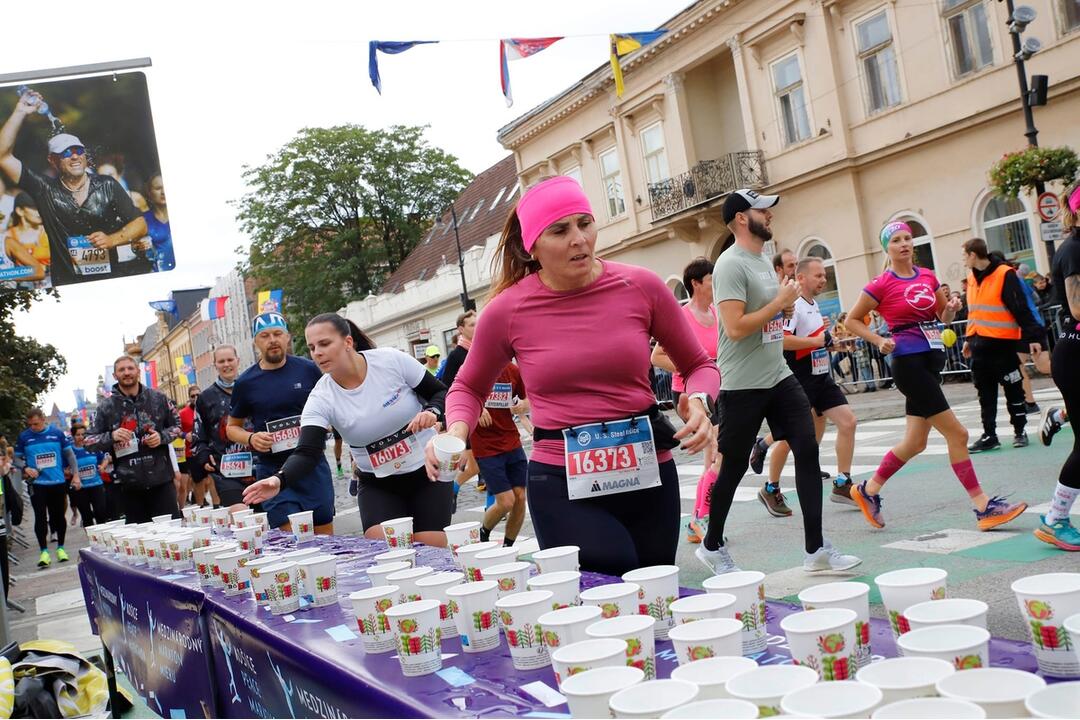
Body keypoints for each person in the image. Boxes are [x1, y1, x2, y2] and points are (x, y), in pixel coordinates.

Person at [424, 175, 719, 576]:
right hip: (562, 480)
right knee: (608, 588)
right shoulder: (507, 309)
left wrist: (699, 401)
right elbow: (469, 386)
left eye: (585, 223)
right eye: (560, 230)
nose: (579, 238)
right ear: (533, 246)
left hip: (648, 469)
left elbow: (700, 364)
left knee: (654, 595)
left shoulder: (641, 286)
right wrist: (456, 433)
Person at [698, 189, 860, 575]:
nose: (769, 215)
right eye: (762, 210)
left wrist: (784, 304)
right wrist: (777, 303)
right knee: (734, 466)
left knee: (807, 447)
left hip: (778, 375)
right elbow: (735, 328)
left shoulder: (759, 263)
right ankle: (712, 543)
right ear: (741, 218)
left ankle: (815, 549)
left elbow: (770, 319)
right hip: (742, 383)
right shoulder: (729, 265)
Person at [845, 222, 1027, 531]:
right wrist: (879, 341)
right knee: (958, 435)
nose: (904, 244)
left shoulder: (928, 276)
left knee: (915, 443)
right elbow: (851, 321)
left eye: (908, 239)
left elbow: (943, 317)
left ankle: (868, 490)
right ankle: (983, 507)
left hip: (930, 360)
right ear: (887, 248)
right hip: (908, 363)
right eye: (897, 240)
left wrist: (952, 309)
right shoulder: (881, 284)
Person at [243, 314, 450, 545]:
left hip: (427, 471)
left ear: (348, 342)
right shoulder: (321, 397)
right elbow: (307, 452)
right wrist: (278, 480)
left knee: (430, 545)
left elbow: (440, 393)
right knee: (388, 551)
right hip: (378, 484)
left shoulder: (391, 361)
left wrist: (432, 412)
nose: (317, 353)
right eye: (312, 348)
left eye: (324, 344)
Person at [0, 91, 151, 285]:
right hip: (66, 284)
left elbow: (140, 223)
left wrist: (112, 239)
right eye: (65, 153)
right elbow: (3, 156)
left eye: (78, 150)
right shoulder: (44, 189)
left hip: (111, 280)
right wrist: (20, 111)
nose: (74, 156)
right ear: (52, 160)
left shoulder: (106, 184)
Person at [226, 312, 335, 533]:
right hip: (272, 470)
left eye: (277, 334)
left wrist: (329, 421)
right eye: (265, 335)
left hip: (312, 466)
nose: (272, 340)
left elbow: (333, 403)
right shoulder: (246, 382)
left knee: (325, 537)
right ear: (256, 342)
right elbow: (231, 427)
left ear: (288, 337)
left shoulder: (308, 369)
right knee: (292, 540)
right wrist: (251, 437)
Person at [765, 257, 859, 508]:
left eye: (825, 275)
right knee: (791, 439)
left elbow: (815, 341)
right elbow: (782, 340)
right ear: (802, 278)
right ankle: (770, 487)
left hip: (821, 376)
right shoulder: (792, 305)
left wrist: (834, 344)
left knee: (848, 422)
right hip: (799, 377)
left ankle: (842, 483)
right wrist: (817, 342)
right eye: (818, 275)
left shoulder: (813, 304)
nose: (823, 279)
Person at [650, 257, 722, 542]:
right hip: (689, 394)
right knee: (716, 447)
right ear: (696, 283)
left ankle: (699, 519)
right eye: (711, 280)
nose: (715, 285)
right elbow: (656, 356)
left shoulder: (717, 312)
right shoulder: (683, 315)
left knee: (713, 453)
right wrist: (690, 365)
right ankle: (700, 518)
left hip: (717, 390)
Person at [961, 239, 1044, 451]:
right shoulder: (971, 278)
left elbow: (1020, 307)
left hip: (1003, 345)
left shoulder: (1004, 274)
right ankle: (989, 435)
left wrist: (1033, 337)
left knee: (1013, 390)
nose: (963, 260)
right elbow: (974, 312)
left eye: (964, 255)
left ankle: (1020, 431)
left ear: (972, 255)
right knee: (985, 394)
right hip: (980, 346)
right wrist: (969, 339)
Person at [1033, 182, 1080, 551]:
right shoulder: (1073, 250)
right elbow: (1078, 308)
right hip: (1076, 355)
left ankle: (1062, 414)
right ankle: (1055, 518)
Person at [84, 355, 183, 523]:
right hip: (128, 486)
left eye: (130, 368)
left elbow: (178, 426)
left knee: (170, 535)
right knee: (141, 543)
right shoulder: (106, 407)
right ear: (115, 376)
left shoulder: (158, 398)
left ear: (138, 371)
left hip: (161, 481)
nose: (127, 372)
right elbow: (87, 441)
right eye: (121, 370)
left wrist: (162, 437)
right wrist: (111, 436)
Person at [473, 360, 531, 547]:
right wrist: (477, 409)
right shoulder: (473, 367)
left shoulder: (512, 370)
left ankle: (508, 545)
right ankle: (484, 531)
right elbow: (456, 398)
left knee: (520, 497)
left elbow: (528, 399)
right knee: (506, 502)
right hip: (486, 445)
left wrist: (523, 405)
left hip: (511, 441)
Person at [15, 408, 79, 566]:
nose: (33, 427)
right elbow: (16, 458)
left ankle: (61, 548)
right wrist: (25, 468)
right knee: (40, 517)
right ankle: (44, 552)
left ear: (43, 419)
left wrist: (76, 475)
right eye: (30, 424)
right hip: (37, 484)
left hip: (57, 482)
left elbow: (70, 455)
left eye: (36, 424)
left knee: (58, 517)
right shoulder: (25, 437)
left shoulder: (57, 434)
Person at [191, 345, 251, 512]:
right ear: (215, 365)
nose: (226, 364)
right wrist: (204, 456)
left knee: (265, 519)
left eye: (230, 360)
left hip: (259, 466)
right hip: (227, 470)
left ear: (238, 361)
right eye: (221, 361)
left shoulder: (252, 388)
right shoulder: (205, 398)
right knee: (241, 517)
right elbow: (198, 435)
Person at [440, 310, 485, 495]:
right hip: (466, 418)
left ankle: (452, 491)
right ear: (461, 329)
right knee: (476, 466)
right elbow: (446, 388)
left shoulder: (481, 350)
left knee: (484, 465)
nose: (476, 327)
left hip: (487, 418)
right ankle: (450, 491)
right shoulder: (456, 356)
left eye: (477, 323)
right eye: (471, 325)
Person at [1, 194, 46, 289]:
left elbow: (37, 271)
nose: (39, 212)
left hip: (15, 293)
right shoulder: (10, 233)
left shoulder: (6, 242)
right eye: (34, 208)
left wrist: (4, 275)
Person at [70, 423, 108, 527]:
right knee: (86, 517)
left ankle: (103, 539)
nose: (81, 437)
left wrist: (102, 467)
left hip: (96, 485)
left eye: (83, 434)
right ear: (73, 436)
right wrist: (73, 473)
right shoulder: (69, 451)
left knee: (101, 513)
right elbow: (64, 468)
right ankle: (92, 540)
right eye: (78, 435)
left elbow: (105, 458)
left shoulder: (93, 446)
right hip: (80, 488)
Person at [142, 173, 175, 272]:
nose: (164, 192)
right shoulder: (142, 220)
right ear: (149, 192)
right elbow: (134, 248)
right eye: (158, 188)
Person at [175, 386, 199, 507]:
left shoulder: (206, 409)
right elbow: (176, 430)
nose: (196, 398)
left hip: (204, 449)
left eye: (198, 395)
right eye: (193, 396)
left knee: (207, 480)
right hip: (187, 452)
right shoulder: (183, 413)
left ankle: (201, 501)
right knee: (185, 483)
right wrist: (185, 435)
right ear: (189, 398)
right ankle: (182, 509)